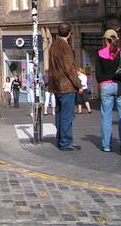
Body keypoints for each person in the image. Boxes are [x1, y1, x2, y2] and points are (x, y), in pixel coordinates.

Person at [48, 22, 83, 151]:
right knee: (67, 115)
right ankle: (66, 142)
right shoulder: (64, 47)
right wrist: (78, 84)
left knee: (59, 113)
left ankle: (60, 138)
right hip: (66, 86)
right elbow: (69, 68)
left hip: (56, 86)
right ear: (69, 34)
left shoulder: (53, 45)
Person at [95, 32, 121, 153]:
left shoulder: (100, 53)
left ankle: (106, 145)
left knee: (106, 116)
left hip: (106, 86)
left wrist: (101, 84)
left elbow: (98, 73)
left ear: (105, 40)